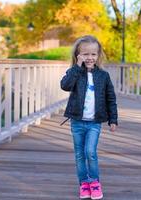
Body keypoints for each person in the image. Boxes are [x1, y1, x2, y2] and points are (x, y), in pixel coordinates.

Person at [60, 35, 118, 199]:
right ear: (78, 55)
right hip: (77, 122)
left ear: (98, 55)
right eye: (85, 54)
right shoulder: (75, 72)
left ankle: (95, 183)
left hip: (94, 122)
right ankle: (83, 184)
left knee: (90, 152)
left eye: (93, 54)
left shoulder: (103, 76)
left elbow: (110, 98)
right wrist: (77, 67)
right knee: (79, 154)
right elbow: (65, 85)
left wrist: (113, 119)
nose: (90, 57)